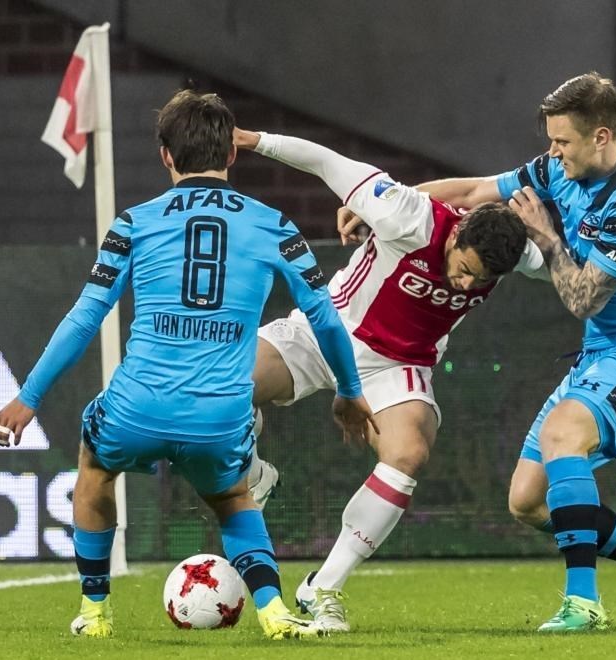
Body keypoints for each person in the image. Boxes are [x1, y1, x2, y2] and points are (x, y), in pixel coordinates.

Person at [0, 89, 377, 641]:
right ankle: (273, 611)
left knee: (95, 469)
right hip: (219, 416)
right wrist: (349, 389)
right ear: (232, 154)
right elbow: (327, 320)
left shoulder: (133, 223)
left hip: (136, 407)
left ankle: (95, 613)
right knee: (233, 496)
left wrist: (28, 397)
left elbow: (85, 317)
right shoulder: (275, 225)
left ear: (165, 155)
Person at [404, 71, 616, 632]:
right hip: (602, 351)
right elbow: (473, 192)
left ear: (601, 136)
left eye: (562, 141)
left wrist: (545, 237)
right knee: (528, 501)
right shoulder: (560, 169)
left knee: (563, 435)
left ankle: (582, 604)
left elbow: (584, 299)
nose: (551, 152)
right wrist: (384, 204)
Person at [232, 126, 550, 632]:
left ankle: (323, 588)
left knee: (408, 453)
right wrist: (254, 141)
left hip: (397, 366)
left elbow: (576, 271)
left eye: (480, 281)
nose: (466, 284)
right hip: (326, 332)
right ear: (457, 234)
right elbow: (325, 161)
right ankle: (252, 476)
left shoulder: (516, 256)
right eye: (464, 268)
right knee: (223, 386)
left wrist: (558, 243)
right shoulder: (409, 216)